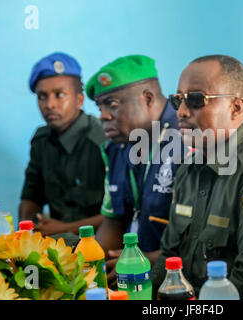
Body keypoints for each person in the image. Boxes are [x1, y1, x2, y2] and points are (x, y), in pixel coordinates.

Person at [151, 55, 243, 299]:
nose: (181, 111)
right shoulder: (188, 168)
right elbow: (169, 259)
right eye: (177, 100)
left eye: (195, 99)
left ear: (236, 108)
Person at [85, 55, 184, 289]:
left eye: (112, 104)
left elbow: (198, 242)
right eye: (100, 107)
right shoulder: (117, 146)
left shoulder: (189, 139)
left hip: (175, 281)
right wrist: (87, 271)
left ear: (148, 98)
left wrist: (141, 263)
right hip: (132, 276)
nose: (103, 115)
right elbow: (114, 220)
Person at [19, 52, 106, 241]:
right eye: (42, 97)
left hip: (100, 247)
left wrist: (66, 228)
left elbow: (120, 216)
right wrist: (27, 231)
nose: (49, 104)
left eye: (59, 95)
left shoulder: (104, 141)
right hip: (55, 246)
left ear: (80, 99)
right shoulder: (41, 141)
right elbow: (31, 197)